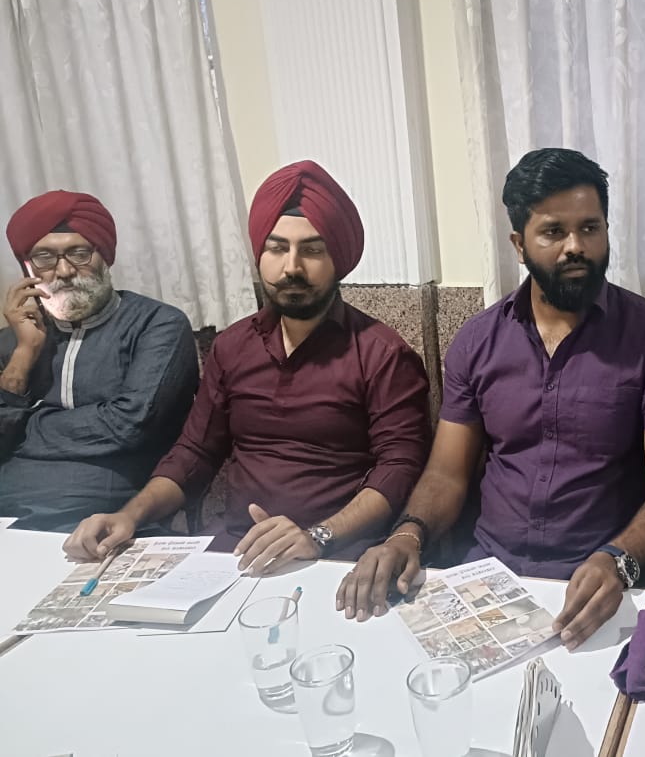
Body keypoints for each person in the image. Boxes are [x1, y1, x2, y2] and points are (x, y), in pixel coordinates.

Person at [337, 147, 645, 650]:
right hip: (485, 576)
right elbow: (446, 474)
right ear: (519, 244)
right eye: (553, 231)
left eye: (590, 228)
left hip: (599, 582)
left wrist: (619, 560)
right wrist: (407, 534)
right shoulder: (478, 342)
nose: (575, 246)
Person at [64, 161, 431, 573]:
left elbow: (400, 467)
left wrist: (319, 536)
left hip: (339, 553)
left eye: (312, 250)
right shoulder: (233, 346)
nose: (292, 267)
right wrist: (129, 515)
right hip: (236, 547)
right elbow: (195, 451)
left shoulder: (382, 354)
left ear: (338, 260)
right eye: (277, 248)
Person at [0, 191, 199, 531]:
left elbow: (128, 426)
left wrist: (24, 422)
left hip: (101, 518)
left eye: (79, 253)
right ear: (28, 269)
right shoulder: (15, 339)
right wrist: (23, 355)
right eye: (45, 257)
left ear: (104, 256)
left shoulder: (157, 324)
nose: (64, 271)